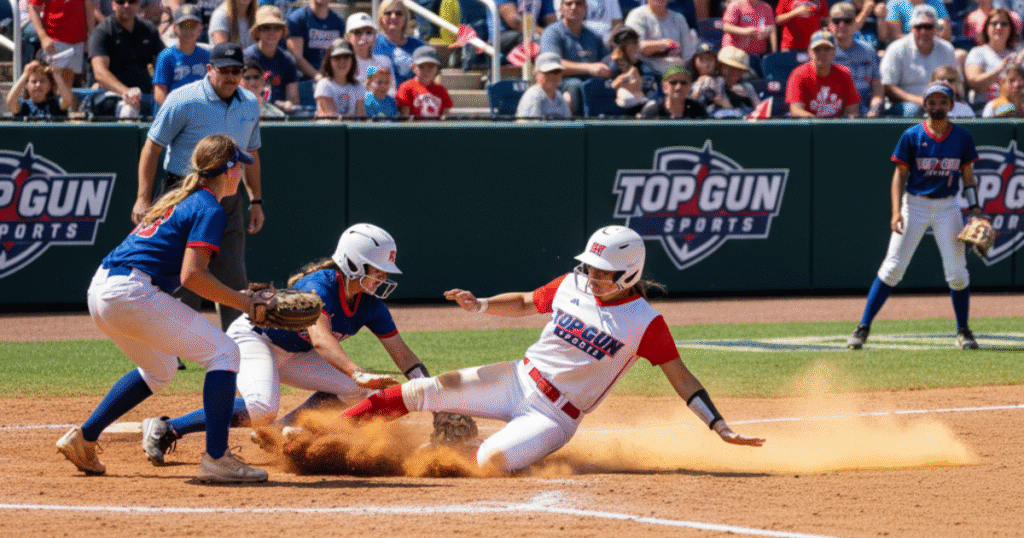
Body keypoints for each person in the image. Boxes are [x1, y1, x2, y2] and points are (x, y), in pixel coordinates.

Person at [336, 225, 766, 474]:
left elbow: (682, 378)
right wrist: (481, 303)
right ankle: (329, 431)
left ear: (629, 273)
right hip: (515, 378)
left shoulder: (645, 323)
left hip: (554, 416)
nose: (592, 275)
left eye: (603, 271)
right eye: (591, 266)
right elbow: (526, 301)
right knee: (419, 392)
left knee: (490, 462)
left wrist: (719, 426)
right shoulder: (572, 283)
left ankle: (437, 457)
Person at [55, 133, 268, 483]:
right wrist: (245, 302)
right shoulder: (210, 208)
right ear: (228, 171)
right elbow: (192, 276)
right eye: (239, 168)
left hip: (103, 289)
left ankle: (84, 437)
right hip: (130, 292)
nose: (242, 175)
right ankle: (217, 459)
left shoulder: (178, 198)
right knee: (225, 353)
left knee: (160, 370)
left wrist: (240, 295)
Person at [139, 224, 444, 464]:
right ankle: (167, 427)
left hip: (297, 353)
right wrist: (355, 370)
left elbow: (403, 355)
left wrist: (433, 393)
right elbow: (322, 341)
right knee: (260, 407)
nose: (382, 277)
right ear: (352, 264)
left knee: (364, 389)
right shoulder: (320, 286)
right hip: (257, 339)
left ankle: (284, 431)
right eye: (376, 269)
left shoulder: (370, 306)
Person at [136, 41, 264, 331]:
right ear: (209, 69)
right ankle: (176, 347)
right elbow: (152, 147)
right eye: (224, 70)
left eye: (237, 70)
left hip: (228, 194)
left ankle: (238, 344)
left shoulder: (250, 102)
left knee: (233, 276)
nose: (231, 76)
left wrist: (256, 200)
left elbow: (252, 153)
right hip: (185, 193)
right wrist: (143, 198)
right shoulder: (183, 99)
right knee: (186, 277)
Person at [847, 83, 982, 351]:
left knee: (957, 273)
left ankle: (963, 330)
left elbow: (968, 177)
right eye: (932, 101)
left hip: (947, 206)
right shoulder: (911, 135)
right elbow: (899, 175)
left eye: (942, 102)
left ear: (951, 105)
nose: (937, 106)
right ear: (924, 105)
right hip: (915, 205)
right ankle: (863, 327)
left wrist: (975, 211)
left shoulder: (962, 137)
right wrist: (897, 211)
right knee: (892, 268)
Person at [89, 0, 165, 118]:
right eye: (120, 1)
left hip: (146, 97)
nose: (126, 5)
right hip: (112, 97)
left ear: (138, 3)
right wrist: (127, 92)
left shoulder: (149, 29)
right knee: (128, 111)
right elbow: (100, 73)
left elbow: (166, 60)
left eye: (132, 1)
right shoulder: (103, 31)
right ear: (113, 5)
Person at [879, 4, 957, 117]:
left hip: (940, 102)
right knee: (913, 110)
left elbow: (955, 81)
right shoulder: (896, 48)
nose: (923, 31)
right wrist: (920, 101)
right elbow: (888, 86)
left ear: (935, 29)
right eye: (919, 27)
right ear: (911, 28)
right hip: (906, 104)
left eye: (928, 27)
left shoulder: (947, 49)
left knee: (962, 110)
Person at [541, 0, 611, 115]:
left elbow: (606, 61)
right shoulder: (552, 33)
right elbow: (552, 66)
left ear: (585, 8)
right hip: (559, 83)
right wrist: (588, 68)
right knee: (575, 84)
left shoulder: (593, 36)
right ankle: (573, 127)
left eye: (578, 3)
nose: (573, 7)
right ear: (561, 8)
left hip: (590, 82)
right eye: (569, 4)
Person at [786, 30, 861, 117]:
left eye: (827, 49)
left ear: (834, 52)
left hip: (837, 127)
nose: (822, 53)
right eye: (817, 49)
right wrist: (820, 125)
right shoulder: (798, 74)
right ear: (810, 52)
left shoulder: (845, 73)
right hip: (809, 127)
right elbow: (796, 110)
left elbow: (852, 111)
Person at [829, 2, 885, 117]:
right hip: (834, 105)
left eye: (847, 21)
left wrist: (874, 109)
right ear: (830, 24)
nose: (842, 25)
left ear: (855, 24)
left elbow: (877, 86)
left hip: (864, 104)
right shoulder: (823, 49)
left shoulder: (867, 50)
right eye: (836, 21)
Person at [27, 0, 92, 95]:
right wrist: (43, 37)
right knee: (50, 83)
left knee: (66, 85)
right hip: (54, 39)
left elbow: (89, 7)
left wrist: (90, 35)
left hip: (78, 39)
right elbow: (33, 7)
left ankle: (61, 109)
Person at [244, 5, 300, 112]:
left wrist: (289, 104)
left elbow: (293, 98)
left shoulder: (287, 60)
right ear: (257, 31)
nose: (272, 32)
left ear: (282, 31)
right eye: (266, 28)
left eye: (277, 28)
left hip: (279, 118)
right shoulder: (246, 58)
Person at [965, 8, 1024, 109]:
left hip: (1018, 109)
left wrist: (1019, 70)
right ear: (986, 28)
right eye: (994, 23)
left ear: (1010, 29)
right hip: (986, 109)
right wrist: (1001, 69)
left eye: (1004, 24)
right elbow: (974, 83)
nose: (999, 27)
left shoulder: (1019, 54)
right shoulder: (978, 52)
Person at [153, 5, 210, 106]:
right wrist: (173, 114)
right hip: (174, 112)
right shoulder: (166, 56)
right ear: (175, 28)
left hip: (200, 113)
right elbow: (159, 93)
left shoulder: (207, 56)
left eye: (192, 25)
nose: (188, 30)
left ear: (200, 28)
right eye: (183, 25)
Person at [625, 0, 697, 74]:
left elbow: (688, 54)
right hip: (648, 73)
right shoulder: (636, 15)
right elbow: (635, 46)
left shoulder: (679, 18)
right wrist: (664, 44)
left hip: (678, 72)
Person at [285, 0, 345, 81]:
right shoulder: (297, 19)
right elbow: (296, 57)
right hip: (303, 82)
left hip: (329, 80)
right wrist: (318, 77)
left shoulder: (338, 23)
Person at [605, 25, 660, 114]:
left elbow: (653, 93)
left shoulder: (645, 69)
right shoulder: (609, 67)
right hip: (616, 113)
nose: (635, 45)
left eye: (635, 41)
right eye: (630, 43)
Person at [373, 0, 425, 88]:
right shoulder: (372, 43)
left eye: (399, 13)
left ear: (405, 18)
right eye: (388, 13)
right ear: (381, 18)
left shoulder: (418, 46)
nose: (393, 17)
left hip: (410, 98)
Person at [396, 45, 453, 118]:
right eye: (421, 67)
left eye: (431, 66)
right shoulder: (406, 87)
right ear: (413, 67)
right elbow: (405, 116)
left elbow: (445, 113)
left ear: (437, 68)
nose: (426, 71)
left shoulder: (441, 89)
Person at [347, 12, 397, 96]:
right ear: (347, 36)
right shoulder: (343, 62)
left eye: (369, 32)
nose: (363, 36)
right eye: (357, 32)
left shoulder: (384, 61)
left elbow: (392, 92)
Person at [6, 59, 76, 118]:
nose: (38, 85)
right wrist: (25, 73)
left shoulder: (56, 104)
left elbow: (67, 100)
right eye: (34, 81)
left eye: (42, 81)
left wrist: (56, 74)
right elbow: (10, 101)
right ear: (26, 85)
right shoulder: (24, 105)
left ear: (50, 85)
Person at [315, 40, 366, 118]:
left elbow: (361, 118)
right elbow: (332, 117)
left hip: (352, 129)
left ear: (352, 60)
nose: (342, 61)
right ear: (329, 61)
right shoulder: (324, 84)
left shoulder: (358, 85)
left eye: (346, 57)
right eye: (337, 58)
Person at [516, 51, 573, 118]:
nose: (552, 76)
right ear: (537, 73)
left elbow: (567, 125)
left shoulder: (559, 96)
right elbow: (530, 127)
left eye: (556, 72)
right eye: (547, 72)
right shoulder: (533, 96)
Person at [709, 45, 760, 118]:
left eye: (739, 70)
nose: (734, 73)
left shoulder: (747, 87)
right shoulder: (711, 83)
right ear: (720, 66)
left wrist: (749, 96)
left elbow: (759, 111)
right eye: (730, 68)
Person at [638, 64, 707, 117]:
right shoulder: (652, 110)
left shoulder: (698, 109)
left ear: (689, 87)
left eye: (683, 83)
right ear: (664, 87)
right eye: (673, 82)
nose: (678, 87)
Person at [885, 0, 952, 42]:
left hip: (935, 46)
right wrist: (920, 39)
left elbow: (947, 35)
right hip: (906, 48)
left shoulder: (936, 2)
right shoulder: (894, 3)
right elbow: (895, 36)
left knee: (959, 55)